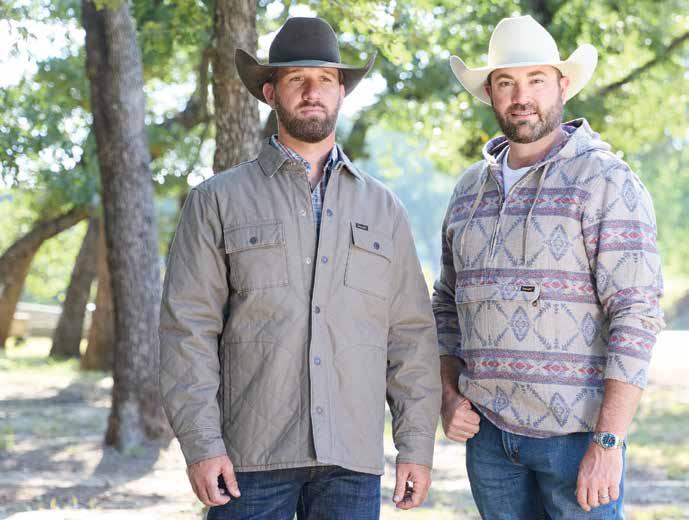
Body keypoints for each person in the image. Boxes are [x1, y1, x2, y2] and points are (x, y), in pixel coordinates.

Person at [159, 16, 441, 520]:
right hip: (249, 457)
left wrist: (416, 446)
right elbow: (188, 330)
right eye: (297, 79)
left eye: (325, 79)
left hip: (351, 459)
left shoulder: (384, 209)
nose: (313, 92)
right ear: (271, 93)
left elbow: (411, 337)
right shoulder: (216, 201)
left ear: (341, 93)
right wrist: (202, 444)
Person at [433, 15, 664, 519]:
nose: (522, 97)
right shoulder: (469, 190)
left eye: (536, 80)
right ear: (489, 93)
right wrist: (448, 394)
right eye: (506, 83)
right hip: (489, 440)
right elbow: (446, 304)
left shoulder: (605, 180)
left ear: (562, 85)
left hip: (577, 438)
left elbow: (636, 314)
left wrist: (608, 443)